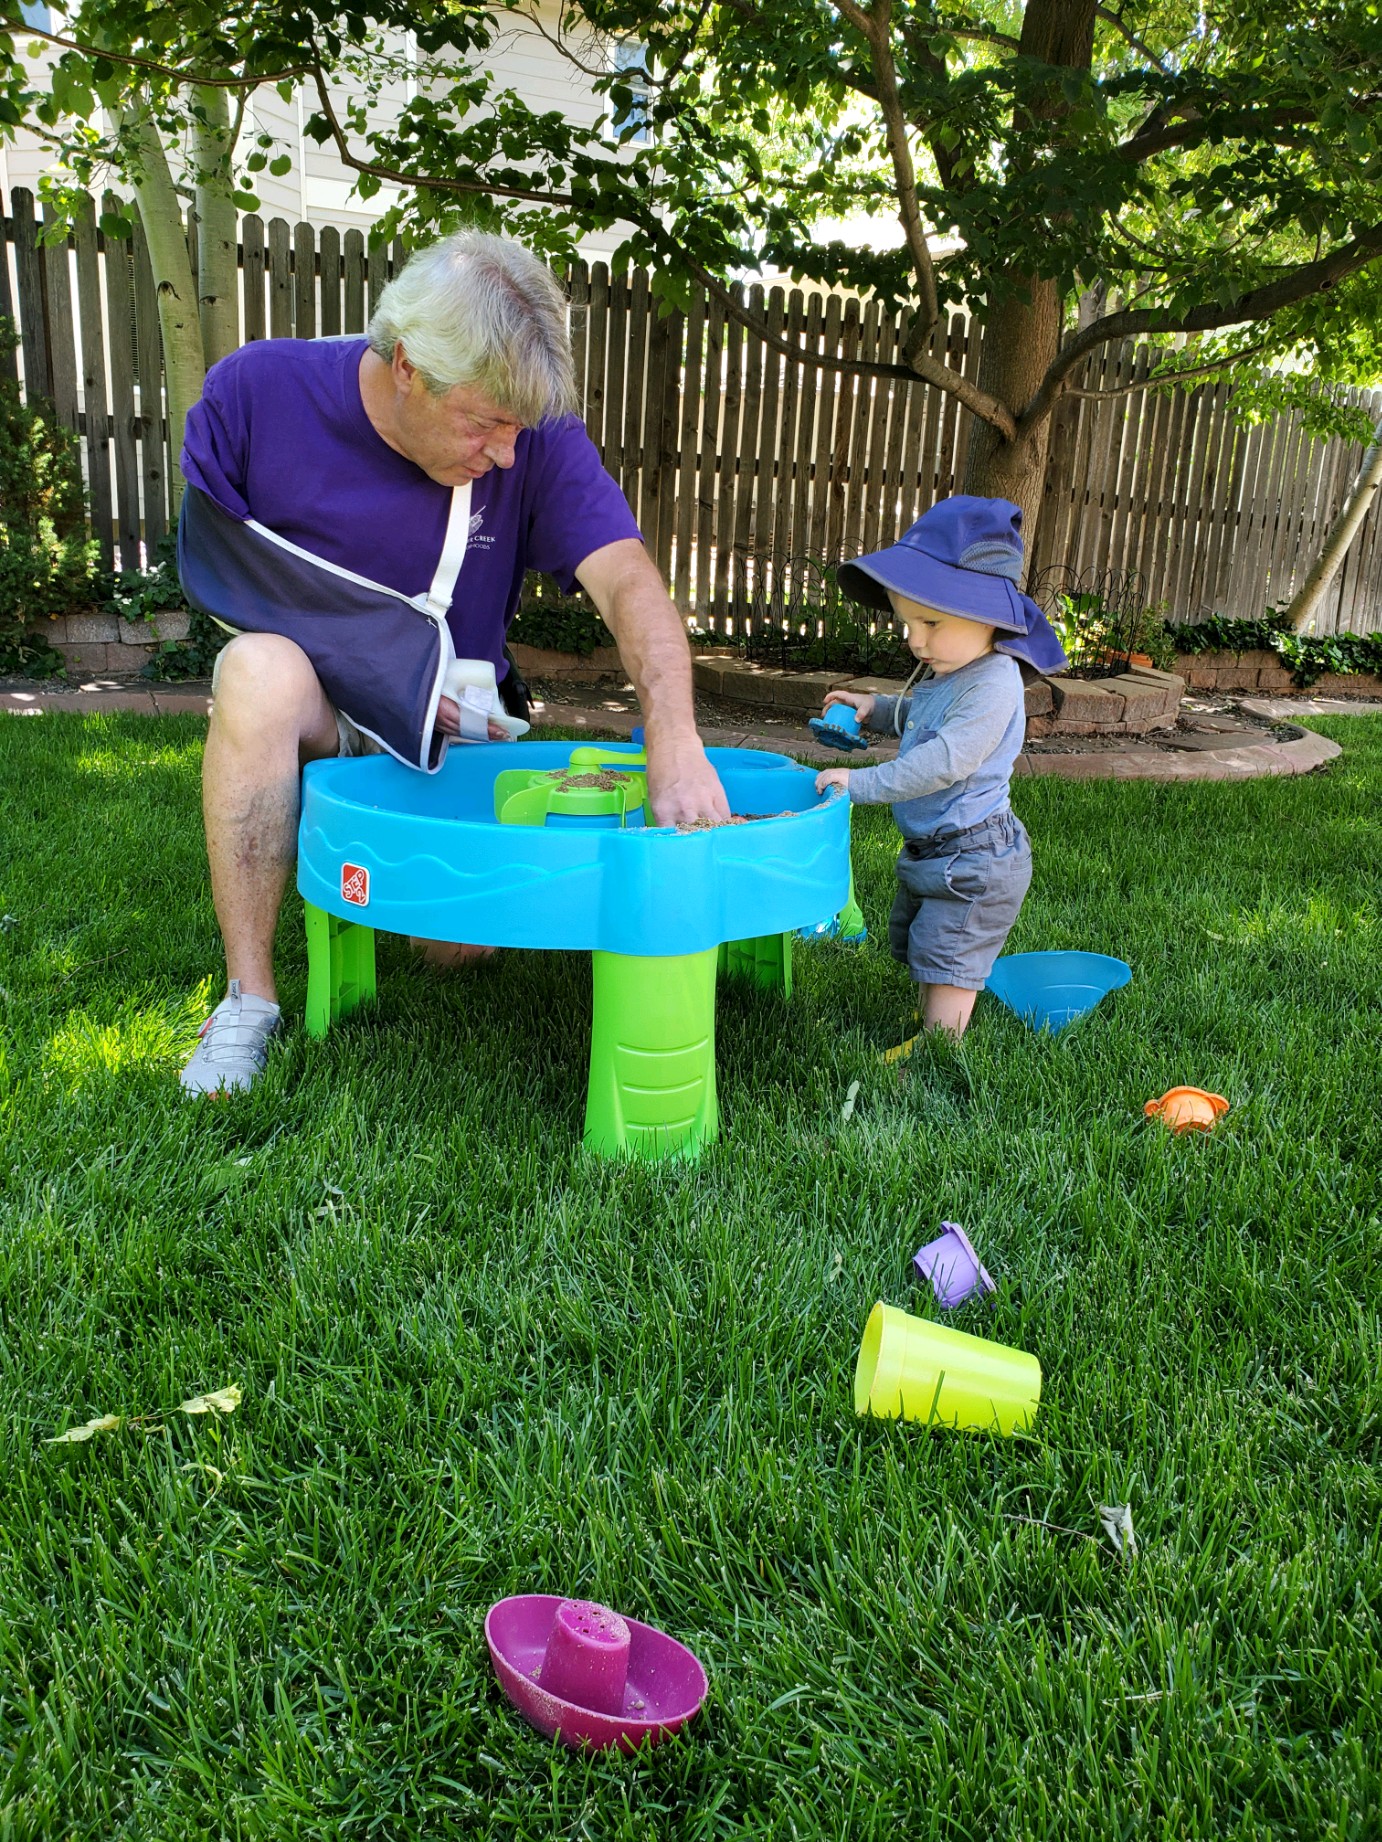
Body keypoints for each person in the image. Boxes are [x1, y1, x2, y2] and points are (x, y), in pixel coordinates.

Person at [176, 231, 728, 1095]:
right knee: (255, 671)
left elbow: (628, 580)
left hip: (452, 728)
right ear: (406, 366)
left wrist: (676, 736)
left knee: (455, 948)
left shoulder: (533, 437)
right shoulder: (256, 394)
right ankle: (249, 997)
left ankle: (376, 863)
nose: (506, 454)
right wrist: (380, 673)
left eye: (517, 429)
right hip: (319, 715)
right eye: (484, 425)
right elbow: (219, 564)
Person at [814, 496, 1067, 1040]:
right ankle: (930, 1020)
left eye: (930, 621)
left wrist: (861, 784)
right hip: (937, 847)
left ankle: (937, 1048)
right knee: (927, 942)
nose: (914, 639)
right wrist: (878, 709)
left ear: (989, 615)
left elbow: (944, 760)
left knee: (951, 954)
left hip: (975, 857)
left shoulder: (994, 683)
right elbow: (925, 719)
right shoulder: (952, 668)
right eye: (907, 622)